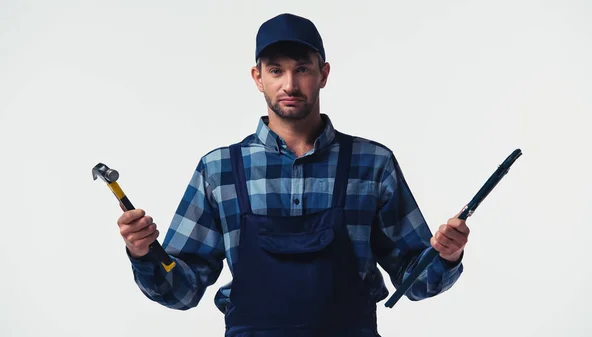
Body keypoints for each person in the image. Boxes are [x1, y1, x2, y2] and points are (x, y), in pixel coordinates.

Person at [116, 13, 470, 337]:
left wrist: (447, 256)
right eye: (275, 70)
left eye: (302, 69)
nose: (289, 83)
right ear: (258, 78)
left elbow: (416, 281)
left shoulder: (372, 163)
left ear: (323, 74)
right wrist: (144, 253)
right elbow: (183, 291)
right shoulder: (219, 170)